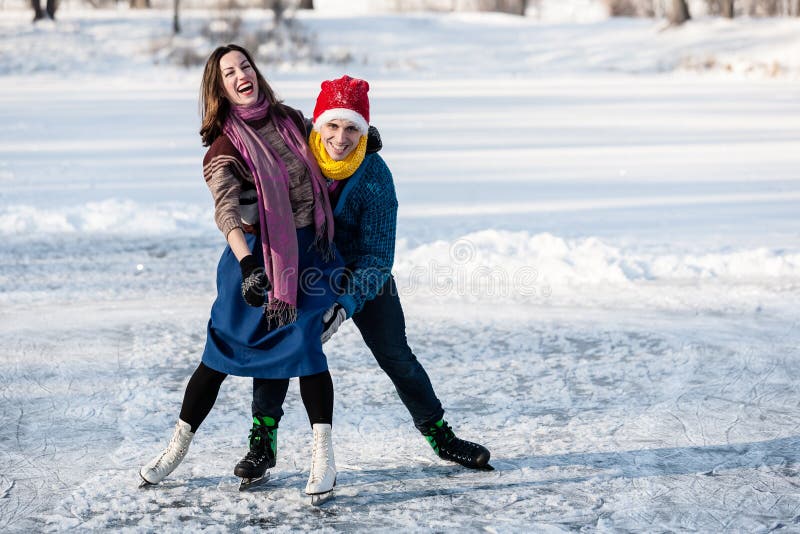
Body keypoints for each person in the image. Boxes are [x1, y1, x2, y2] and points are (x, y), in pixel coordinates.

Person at [242, 75, 491, 478]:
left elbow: (377, 256)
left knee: (397, 356)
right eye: (333, 126)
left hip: (362, 274)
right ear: (318, 125)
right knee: (282, 345)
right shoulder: (295, 159)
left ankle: (440, 435)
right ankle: (262, 441)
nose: (341, 137)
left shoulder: (375, 176)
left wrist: (345, 305)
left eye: (352, 128)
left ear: (364, 130)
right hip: (307, 271)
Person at [139, 44, 345, 498]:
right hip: (254, 261)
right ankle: (176, 447)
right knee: (218, 357)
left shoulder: (291, 120)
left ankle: (323, 459)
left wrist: (359, 142)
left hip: (307, 257)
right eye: (229, 72)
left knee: (306, 349)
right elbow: (226, 210)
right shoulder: (224, 146)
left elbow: (330, 148)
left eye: (245, 66)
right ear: (220, 88)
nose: (240, 75)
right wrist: (248, 264)